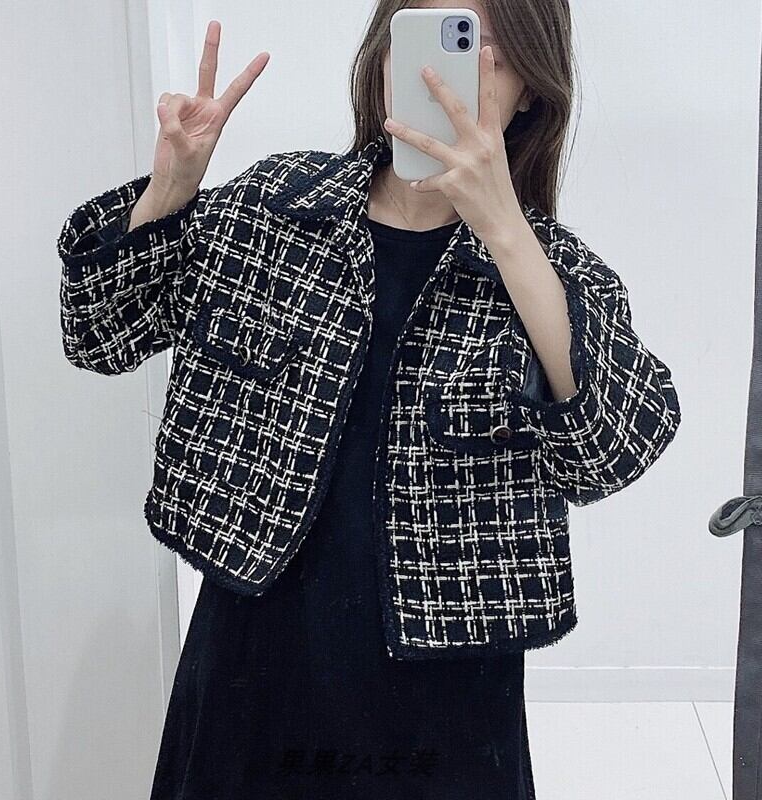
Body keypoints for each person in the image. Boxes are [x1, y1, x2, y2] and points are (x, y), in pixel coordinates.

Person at [57, 3, 680, 798]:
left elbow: (613, 452)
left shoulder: (552, 274)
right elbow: (102, 334)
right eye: (422, 34)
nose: (442, 72)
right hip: (252, 675)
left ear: (531, 87)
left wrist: (505, 231)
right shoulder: (278, 208)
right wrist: (171, 187)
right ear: (383, 58)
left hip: (447, 709)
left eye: (479, 46)